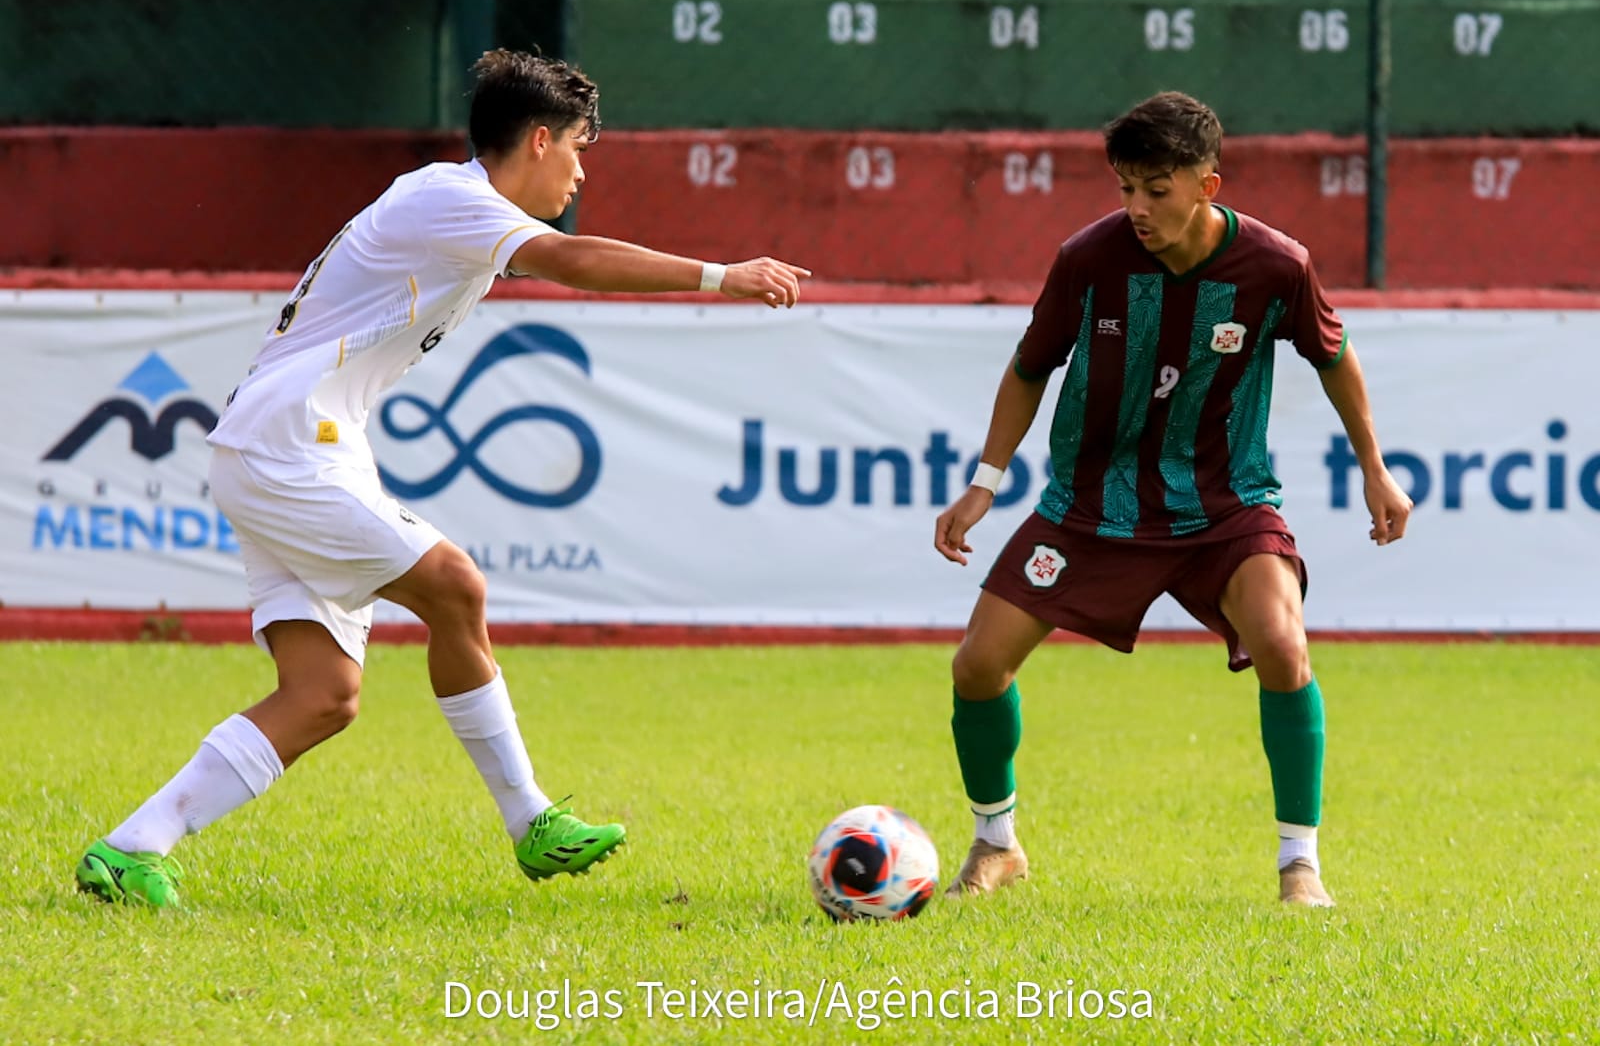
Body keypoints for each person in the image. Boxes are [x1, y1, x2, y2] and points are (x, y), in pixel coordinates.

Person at [75, 49, 811, 908]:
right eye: (577, 149)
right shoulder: (452, 199)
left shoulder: (450, 204)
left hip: (286, 444)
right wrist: (724, 276)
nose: (580, 172)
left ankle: (132, 849)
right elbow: (572, 263)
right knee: (456, 586)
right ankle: (530, 820)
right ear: (538, 140)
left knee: (322, 695)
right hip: (288, 443)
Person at [934, 91, 1411, 907]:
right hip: (1092, 507)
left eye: (1157, 188)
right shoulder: (1089, 258)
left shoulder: (1276, 265)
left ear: (1207, 185)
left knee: (1283, 646)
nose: (1138, 208)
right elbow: (1029, 366)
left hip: (1225, 508)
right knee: (978, 665)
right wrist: (985, 481)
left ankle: (1300, 864)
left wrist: (1375, 464)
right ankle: (995, 841)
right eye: (1125, 188)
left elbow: (1334, 356)